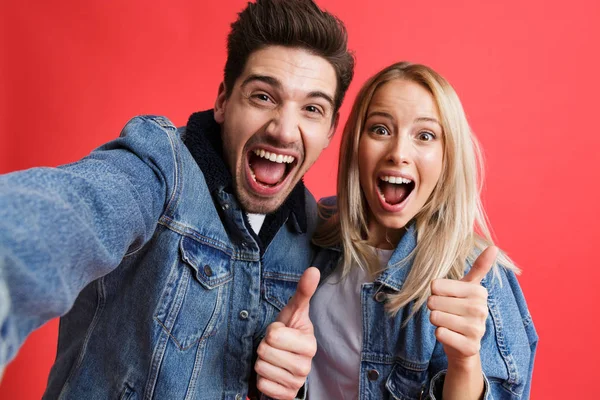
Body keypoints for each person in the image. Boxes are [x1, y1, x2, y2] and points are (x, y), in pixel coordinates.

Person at [0, 0, 355, 399]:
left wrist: (291, 387)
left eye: (311, 108)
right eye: (263, 97)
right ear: (223, 100)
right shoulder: (158, 167)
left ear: (329, 130)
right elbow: (70, 212)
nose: (285, 131)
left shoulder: (314, 233)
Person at [308, 62, 537, 399]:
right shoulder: (310, 232)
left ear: (447, 158)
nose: (398, 153)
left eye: (425, 136)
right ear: (356, 144)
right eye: (380, 130)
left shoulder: (477, 278)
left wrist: (465, 361)